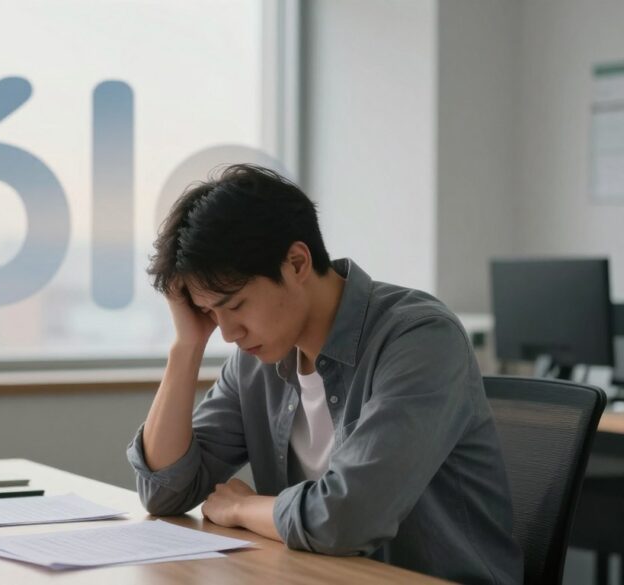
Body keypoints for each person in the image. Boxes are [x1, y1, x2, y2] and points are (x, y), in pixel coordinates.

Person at [126, 164, 522, 584]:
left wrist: (243, 508)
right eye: (209, 313)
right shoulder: (254, 361)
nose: (227, 332)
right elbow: (164, 492)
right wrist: (186, 346)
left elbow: (346, 519)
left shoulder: (420, 339)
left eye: (236, 304)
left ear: (297, 263)